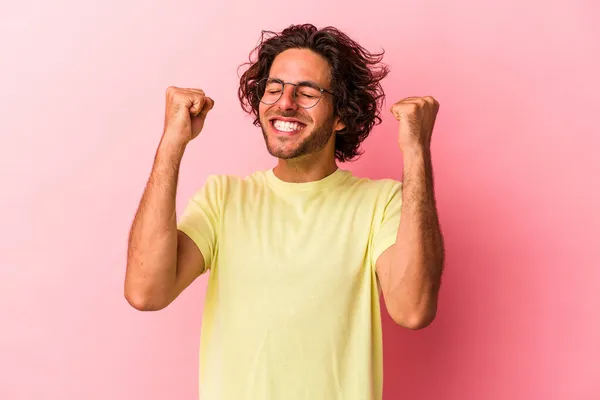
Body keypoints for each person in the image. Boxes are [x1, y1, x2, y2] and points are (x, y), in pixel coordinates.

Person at [124, 24, 445, 400]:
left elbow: (413, 310)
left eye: (307, 92)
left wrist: (416, 151)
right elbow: (146, 292)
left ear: (341, 114)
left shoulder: (382, 204)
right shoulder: (224, 198)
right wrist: (172, 143)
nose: (285, 103)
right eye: (274, 89)